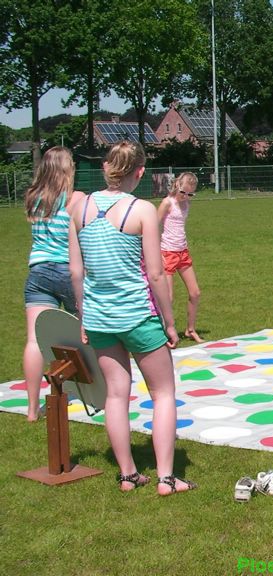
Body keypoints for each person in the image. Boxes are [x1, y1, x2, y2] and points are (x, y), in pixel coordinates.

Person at [68, 141, 195, 495]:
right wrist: (170, 322)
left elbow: (76, 272)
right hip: (138, 316)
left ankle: (127, 475)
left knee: (115, 395)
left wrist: (82, 316)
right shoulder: (141, 210)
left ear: (107, 167)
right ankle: (167, 478)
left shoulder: (80, 208)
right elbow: (156, 274)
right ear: (139, 172)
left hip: (99, 318)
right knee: (164, 393)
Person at [22, 146, 86, 422]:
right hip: (67, 271)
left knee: (34, 340)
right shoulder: (76, 199)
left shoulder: (33, 198)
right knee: (86, 333)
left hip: (38, 272)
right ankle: (94, 391)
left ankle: (32, 407)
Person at [158, 172, 203, 342]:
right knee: (167, 297)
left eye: (190, 194)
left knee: (195, 293)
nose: (185, 196)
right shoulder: (167, 203)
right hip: (167, 252)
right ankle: (166, 331)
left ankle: (190, 329)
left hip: (182, 252)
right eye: (183, 192)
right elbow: (154, 225)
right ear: (177, 186)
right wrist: (157, 252)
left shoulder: (186, 204)